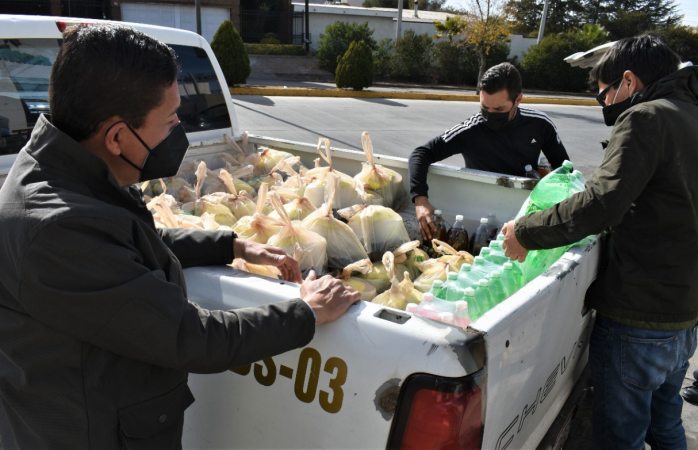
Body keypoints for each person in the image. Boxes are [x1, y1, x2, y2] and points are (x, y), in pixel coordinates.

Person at [0, 24, 360, 448]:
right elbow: (191, 338)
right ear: (116, 137)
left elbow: (122, 247)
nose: (178, 132)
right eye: (170, 121)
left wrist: (231, 244)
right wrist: (305, 311)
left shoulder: (60, 168)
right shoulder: (57, 228)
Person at [501, 34, 698, 449]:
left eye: (603, 94)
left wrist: (526, 231)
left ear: (628, 81)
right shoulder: (690, 114)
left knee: (619, 438)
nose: (605, 104)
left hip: (639, 313)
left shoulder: (647, 118)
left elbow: (601, 204)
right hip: (683, 311)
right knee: (665, 427)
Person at [408, 62, 570, 240]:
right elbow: (421, 154)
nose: (490, 115)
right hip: (480, 219)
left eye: (499, 109)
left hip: (524, 214)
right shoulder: (471, 129)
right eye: (485, 108)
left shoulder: (540, 125)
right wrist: (420, 200)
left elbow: (565, 171)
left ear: (518, 99)